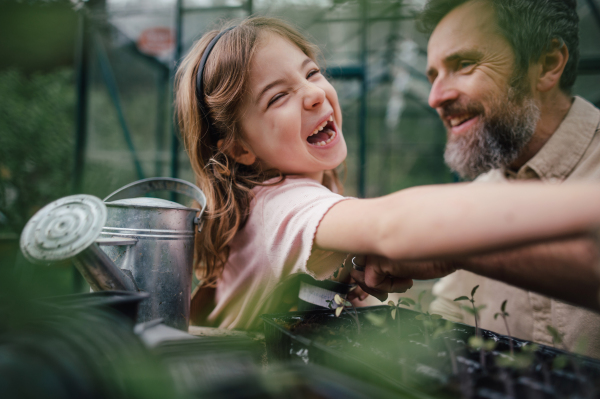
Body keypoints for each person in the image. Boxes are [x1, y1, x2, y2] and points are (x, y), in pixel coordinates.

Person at [176, 16, 600, 331]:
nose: (311, 94)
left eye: (311, 73)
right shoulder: (279, 204)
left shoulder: (277, 204)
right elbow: (392, 225)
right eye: (277, 97)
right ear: (238, 147)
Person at [354, 0, 600, 357]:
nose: (436, 97)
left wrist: (457, 243)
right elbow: (445, 326)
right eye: (433, 76)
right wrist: (367, 310)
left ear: (547, 64)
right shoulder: (481, 195)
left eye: (463, 64)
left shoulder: (465, 221)